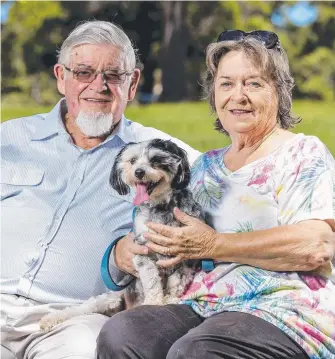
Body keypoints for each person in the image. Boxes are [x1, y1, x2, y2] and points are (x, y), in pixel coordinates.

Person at [97, 30, 335, 359]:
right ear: (214, 94)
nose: (238, 96)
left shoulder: (302, 154)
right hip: (201, 304)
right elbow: (162, 232)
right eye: (226, 84)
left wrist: (214, 245)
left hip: (282, 309)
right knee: (124, 333)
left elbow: (316, 246)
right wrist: (122, 253)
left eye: (253, 83)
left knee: (197, 350)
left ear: (278, 91)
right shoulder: (203, 167)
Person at [0, 20, 201, 359]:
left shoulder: (158, 153)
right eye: (83, 72)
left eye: (113, 75)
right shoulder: (10, 137)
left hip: (72, 320)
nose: (99, 86)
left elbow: (238, 181)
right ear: (61, 77)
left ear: (132, 83)